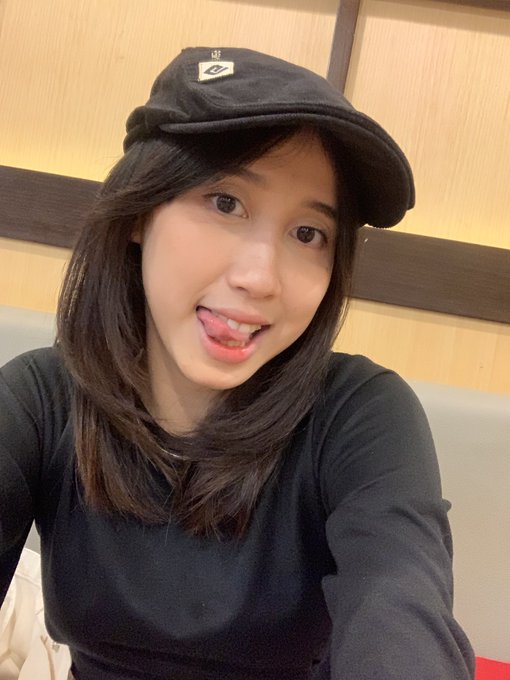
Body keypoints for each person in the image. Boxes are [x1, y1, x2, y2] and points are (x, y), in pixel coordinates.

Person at [0, 47, 475, 680]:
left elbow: (400, 603)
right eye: (225, 202)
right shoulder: (41, 400)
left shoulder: (358, 415)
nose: (260, 278)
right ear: (140, 210)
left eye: (308, 234)